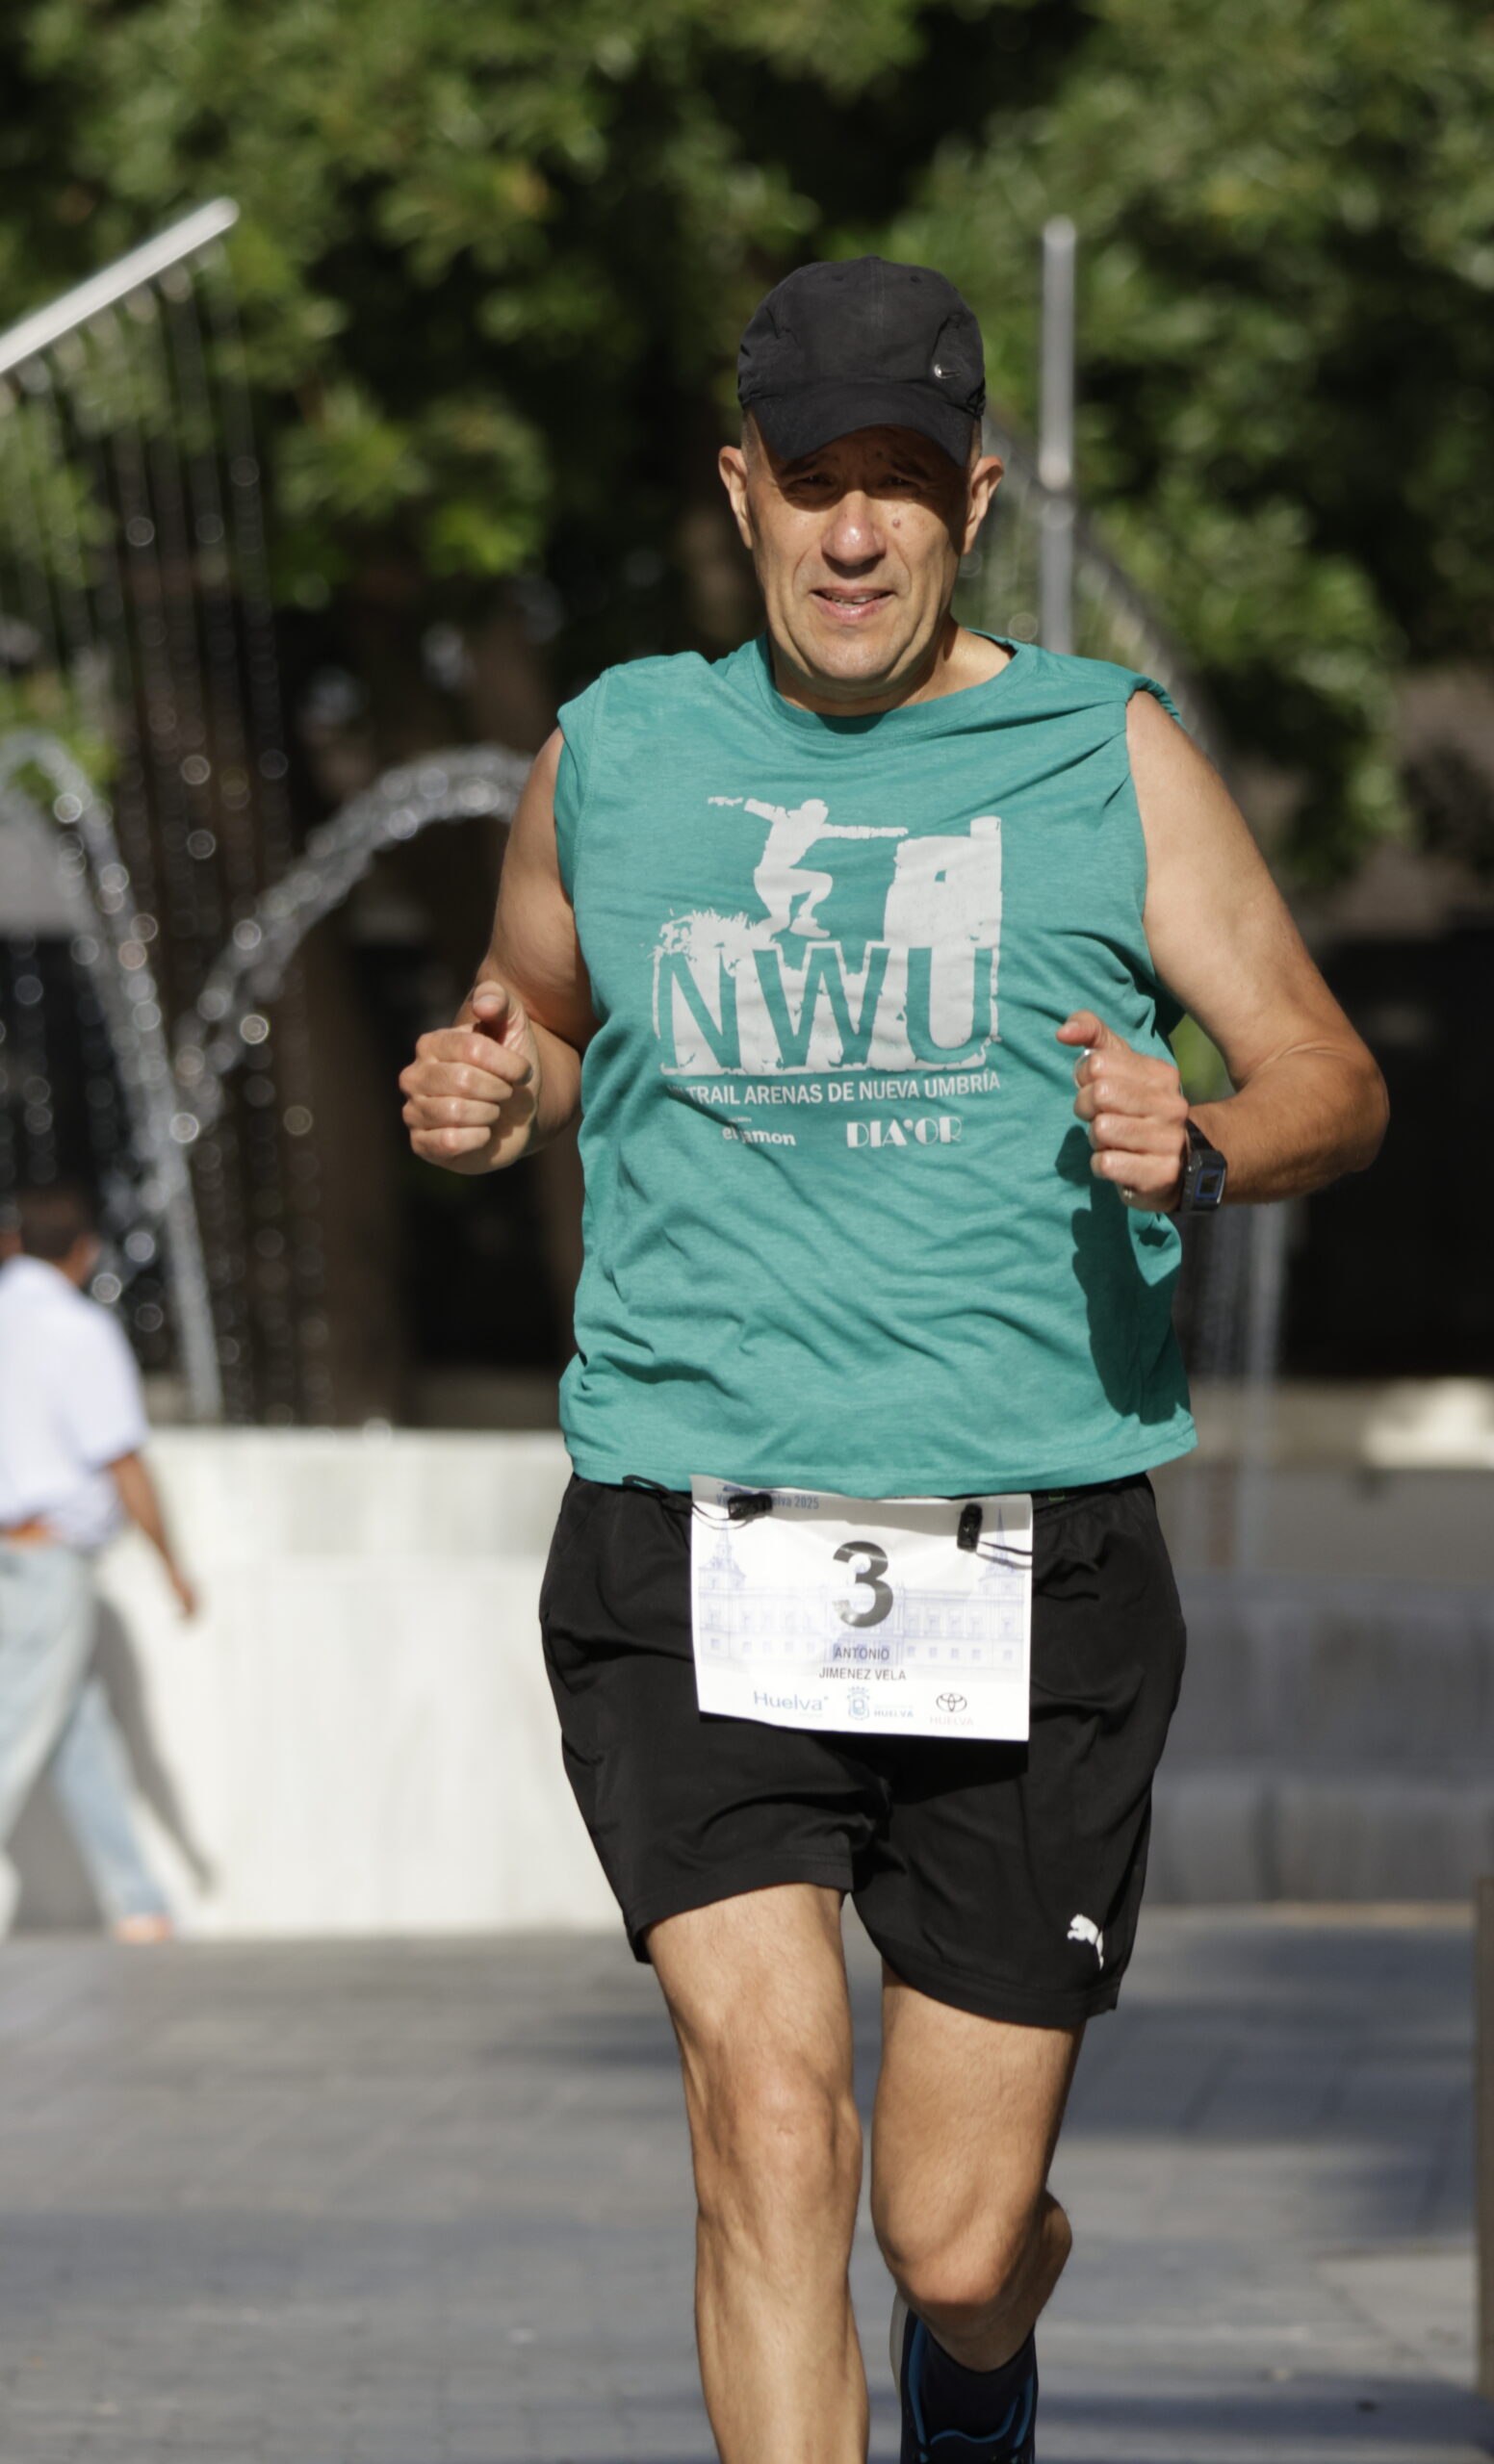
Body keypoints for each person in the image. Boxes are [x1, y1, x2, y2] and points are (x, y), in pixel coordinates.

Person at [399, 255, 1387, 2464]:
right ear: (736, 490)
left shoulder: (1102, 750)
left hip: (1026, 1554)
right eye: (810, 481)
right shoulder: (614, 751)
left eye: (901, 486)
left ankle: (980, 2348)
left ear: (974, 499)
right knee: (766, 2113)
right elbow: (528, 1007)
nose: (852, 533)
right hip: (691, 1525)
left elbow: (1327, 1074)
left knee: (946, 2238)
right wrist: (492, 1088)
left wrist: (1201, 1133)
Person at [0, 1183, 195, 1941]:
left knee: (75, 1730)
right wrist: (171, 1564)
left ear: (18, 1243)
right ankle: (140, 1899)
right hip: (45, 1560)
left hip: (15, 1555)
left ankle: (138, 1900)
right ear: (84, 1253)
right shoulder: (78, 1330)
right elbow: (123, 1460)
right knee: (16, 1730)